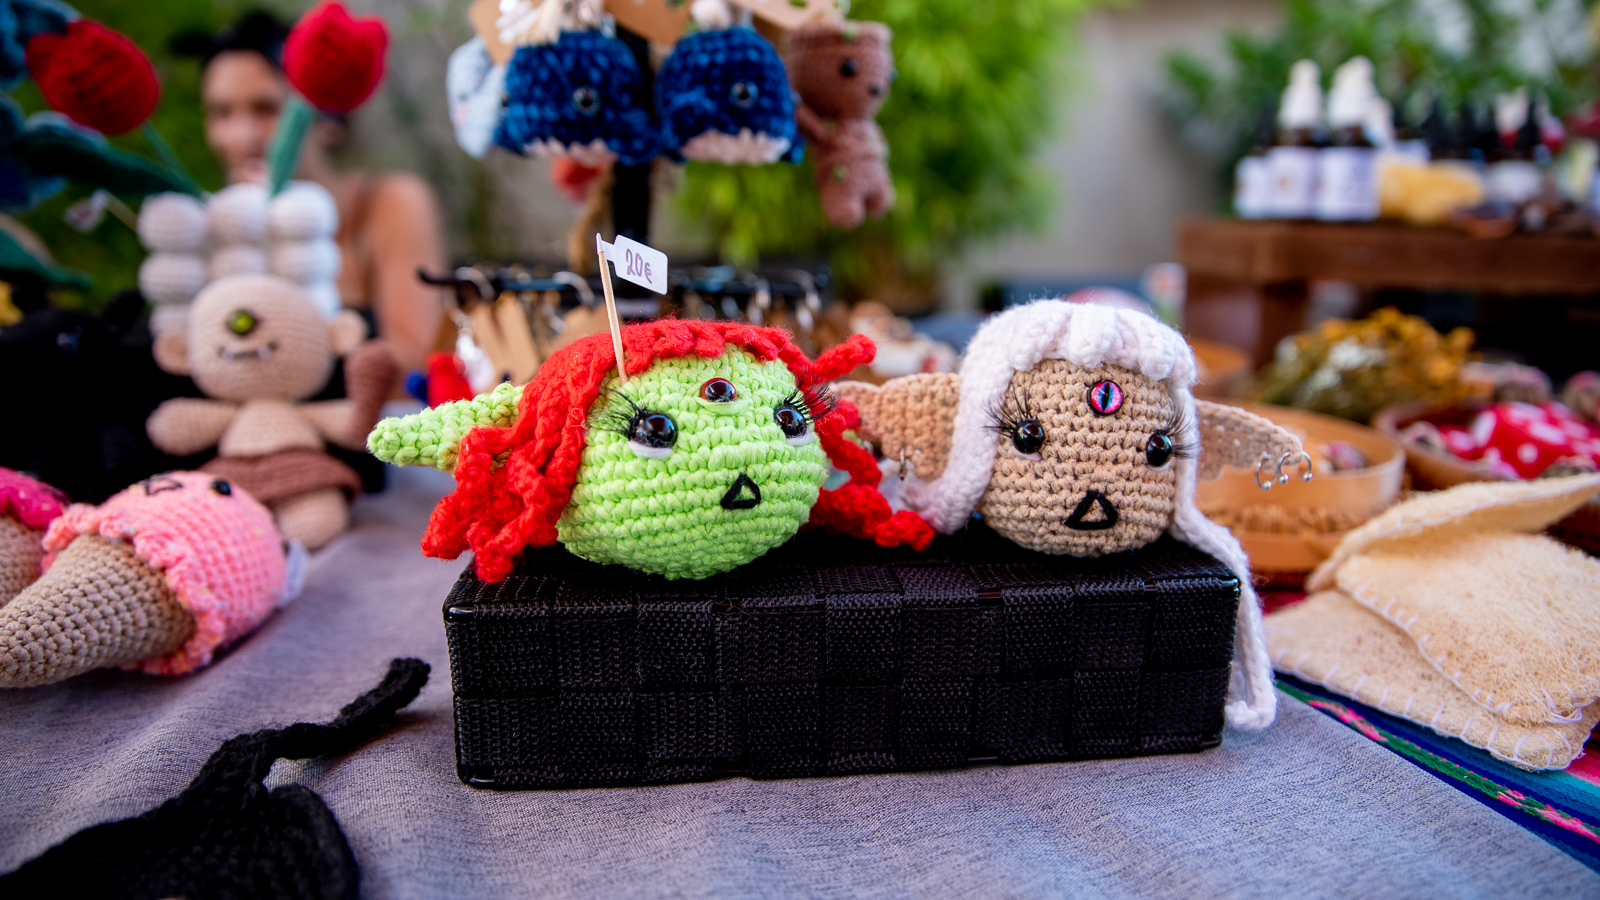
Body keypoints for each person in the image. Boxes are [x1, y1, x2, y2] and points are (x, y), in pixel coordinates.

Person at [174, 12, 445, 374]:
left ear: (327, 119)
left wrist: (299, 237)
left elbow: (413, 363)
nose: (241, 137)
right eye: (221, 113)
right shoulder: (211, 228)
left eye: (266, 109)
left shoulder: (392, 202)